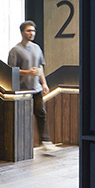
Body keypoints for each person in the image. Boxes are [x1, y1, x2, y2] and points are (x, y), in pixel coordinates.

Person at [7, 21, 58, 152]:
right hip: (22, 89)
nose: (32, 33)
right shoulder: (15, 50)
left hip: (36, 88)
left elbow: (40, 67)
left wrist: (44, 83)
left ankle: (45, 141)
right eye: (29, 31)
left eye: (33, 31)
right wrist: (27, 72)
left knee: (41, 114)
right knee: (23, 118)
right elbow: (11, 70)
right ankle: (22, 146)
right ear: (22, 32)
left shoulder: (37, 48)